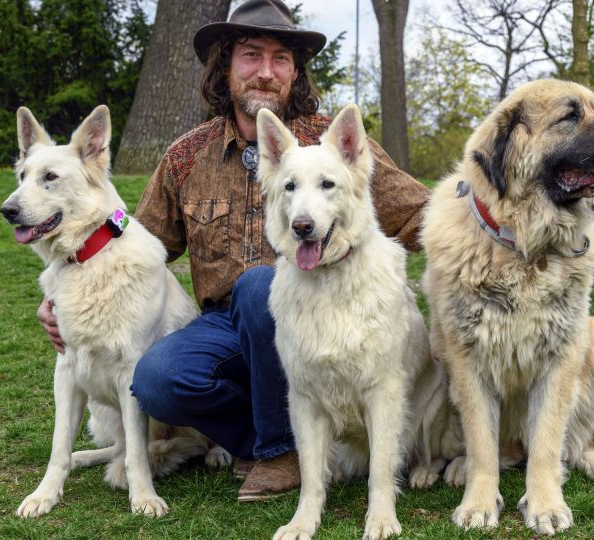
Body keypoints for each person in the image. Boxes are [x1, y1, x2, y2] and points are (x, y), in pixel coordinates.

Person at [36, 0, 430, 502]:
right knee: (156, 381)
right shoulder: (185, 156)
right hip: (223, 331)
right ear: (225, 66)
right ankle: (256, 435)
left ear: (295, 72)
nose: (266, 71)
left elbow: (421, 213)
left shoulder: (332, 148)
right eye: (251, 55)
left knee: (260, 285)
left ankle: (280, 452)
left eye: (281, 58)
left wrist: (488, 216)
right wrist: (62, 295)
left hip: (314, 314)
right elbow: (126, 235)